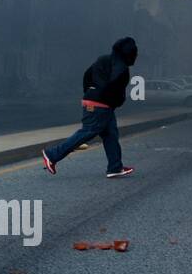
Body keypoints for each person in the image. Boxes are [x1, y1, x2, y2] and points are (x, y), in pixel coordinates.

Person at [41, 37, 138, 179]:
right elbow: (114, 86)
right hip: (100, 105)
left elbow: (87, 75)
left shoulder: (103, 59)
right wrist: (111, 99)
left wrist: (90, 92)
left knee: (111, 134)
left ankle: (115, 167)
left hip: (97, 101)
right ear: (130, 53)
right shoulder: (121, 67)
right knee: (88, 132)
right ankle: (52, 155)